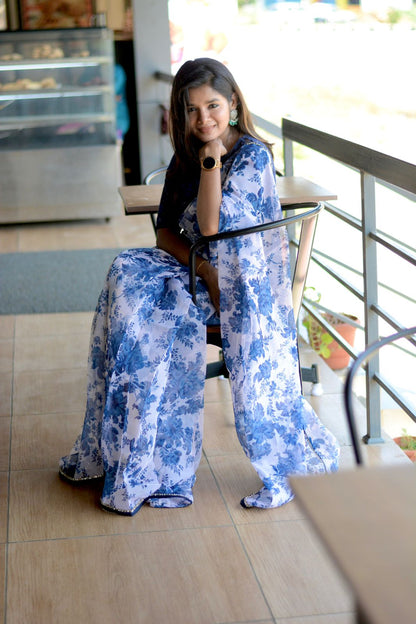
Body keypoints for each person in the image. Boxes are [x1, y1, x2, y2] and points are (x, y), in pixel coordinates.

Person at [59, 58, 339, 515]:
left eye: (212, 105)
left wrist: (212, 159)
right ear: (181, 114)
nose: (203, 118)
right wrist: (203, 270)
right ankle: (136, 458)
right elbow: (166, 231)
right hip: (200, 276)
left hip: (241, 294)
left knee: (150, 311)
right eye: (191, 110)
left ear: (232, 104)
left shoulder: (251, 157)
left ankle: (164, 463)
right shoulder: (184, 158)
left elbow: (210, 227)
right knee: (126, 281)